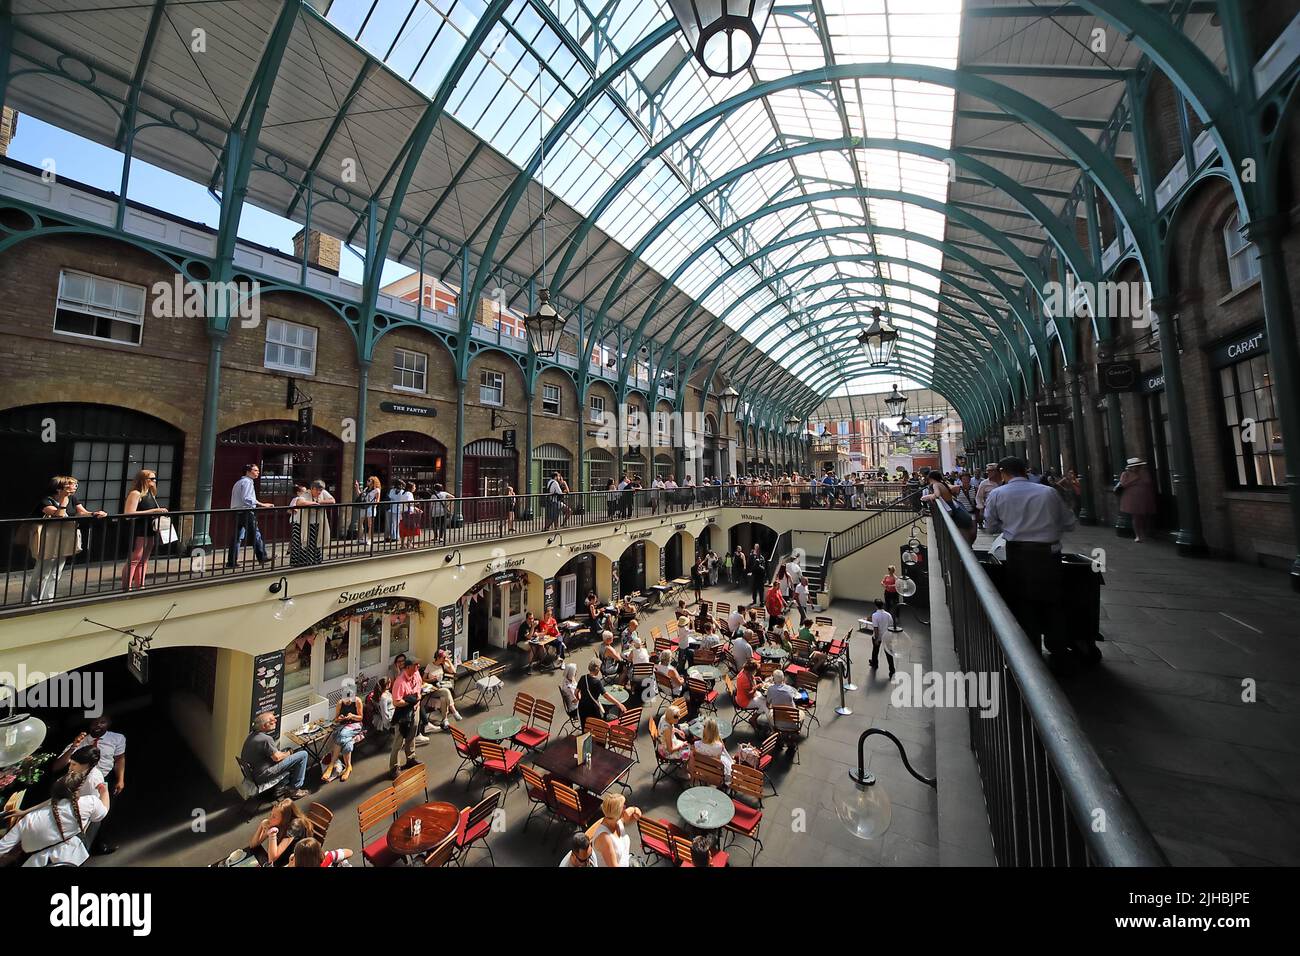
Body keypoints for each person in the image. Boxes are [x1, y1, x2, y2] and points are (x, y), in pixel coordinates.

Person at [982, 457, 1079, 669]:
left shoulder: (998, 494)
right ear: (1025, 471)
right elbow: (1070, 523)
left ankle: (1029, 654)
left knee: (1022, 602)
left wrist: (1011, 524)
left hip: (1019, 555)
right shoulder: (1048, 492)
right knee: (1053, 602)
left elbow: (989, 527)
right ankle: (1059, 651)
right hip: (1049, 555)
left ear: (1002, 472)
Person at [26, 475, 106, 603]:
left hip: (64, 536)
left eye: (75, 484)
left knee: (56, 572)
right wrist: (63, 500)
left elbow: (82, 512)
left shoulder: (72, 498)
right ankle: (33, 602)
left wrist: (94, 513)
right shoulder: (47, 500)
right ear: (59, 488)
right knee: (43, 572)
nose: (74, 487)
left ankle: (48, 600)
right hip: (48, 537)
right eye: (71, 484)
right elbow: (59, 515)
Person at [0, 772, 108, 867]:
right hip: (72, 859)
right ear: (77, 791)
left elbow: (2, 847)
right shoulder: (89, 803)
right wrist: (104, 792)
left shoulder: (30, 819)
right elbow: (102, 813)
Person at [240, 712, 310, 800]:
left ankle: (282, 785)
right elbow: (277, 758)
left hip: (253, 773)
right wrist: (289, 753)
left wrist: (286, 752)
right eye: (272, 721)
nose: (275, 721)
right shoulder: (266, 739)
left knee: (286, 750)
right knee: (303, 754)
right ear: (264, 726)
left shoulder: (251, 735)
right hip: (263, 775)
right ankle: (294, 790)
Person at [121, 469, 167, 590]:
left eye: (154, 478)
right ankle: (127, 586)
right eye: (151, 478)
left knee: (144, 559)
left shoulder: (150, 494)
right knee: (135, 558)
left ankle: (140, 585)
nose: (154, 481)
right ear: (143, 480)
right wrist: (153, 511)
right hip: (138, 528)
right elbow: (128, 513)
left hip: (149, 528)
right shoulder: (136, 493)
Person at [227, 464, 272, 568]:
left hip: (236, 511)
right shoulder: (247, 482)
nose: (258, 472)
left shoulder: (239, 482)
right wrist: (262, 504)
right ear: (248, 471)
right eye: (255, 470)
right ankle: (262, 556)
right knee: (255, 534)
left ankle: (231, 561)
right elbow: (247, 498)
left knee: (237, 537)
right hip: (246, 511)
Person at [320, 678, 365, 783]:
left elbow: (361, 717)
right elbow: (335, 719)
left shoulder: (357, 701)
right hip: (343, 725)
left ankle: (331, 765)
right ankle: (348, 767)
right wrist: (339, 718)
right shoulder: (340, 703)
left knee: (342, 734)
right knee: (346, 742)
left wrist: (352, 716)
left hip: (355, 724)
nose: (348, 701)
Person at [249, 797, 315, 867]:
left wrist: (272, 835)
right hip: (281, 859)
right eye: (270, 814)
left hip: (293, 861)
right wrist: (261, 826)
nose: (270, 818)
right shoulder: (276, 823)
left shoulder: (295, 827)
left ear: (284, 818)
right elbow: (253, 845)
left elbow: (272, 858)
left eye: (274, 816)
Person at [389, 657, 427, 778]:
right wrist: (408, 701)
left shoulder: (416, 675)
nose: (418, 666)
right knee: (399, 741)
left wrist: (417, 699)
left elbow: (419, 688)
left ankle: (410, 758)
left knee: (412, 734)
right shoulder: (399, 682)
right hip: (403, 714)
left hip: (415, 710)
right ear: (408, 667)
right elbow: (396, 702)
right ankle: (394, 767)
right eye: (416, 665)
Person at [592, 793, 642, 868]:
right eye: (623, 806)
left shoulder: (618, 821)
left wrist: (633, 809)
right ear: (617, 811)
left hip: (627, 861)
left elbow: (638, 815)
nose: (626, 807)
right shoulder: (605, 838)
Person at [1117, 457, 1157, 543]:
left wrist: (1136, 480)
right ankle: (1138, 535)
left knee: (1145, 515)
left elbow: (1148, 481)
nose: (1137, 468)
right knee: (1136, 517)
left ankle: (1145, 533)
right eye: (1135, 466)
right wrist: (1135, 479)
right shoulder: (1125, 474)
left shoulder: (1144, 473)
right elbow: (1123, 484)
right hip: (1132, 498)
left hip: (1144, 496)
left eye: (1138, 466)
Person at [578, 658, 626, 725]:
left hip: (582, 707)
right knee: (597, 725)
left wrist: (582, 699)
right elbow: (606, 695)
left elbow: (576, 692)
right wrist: (618, 704)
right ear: (597, 668)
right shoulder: (597, 682)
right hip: (593, 708)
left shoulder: (583, 677)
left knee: (585, 726)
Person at [692, 717, 733, 784]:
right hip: (714, 771)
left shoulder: (696, 745)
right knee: (726, 758)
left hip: (702, 768)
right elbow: (719, 758)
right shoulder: (719, 746)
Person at [868, 598, 897, 678]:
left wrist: (877, 639)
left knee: (875, 650)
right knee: (888, 654)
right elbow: (891, 625)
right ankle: (892, 670)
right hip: (887, 636)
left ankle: (874, 663)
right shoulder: (888, 615)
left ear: (875, 606)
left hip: (879, 636)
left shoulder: (875, 615)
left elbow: (876, 629)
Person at [974, 463, 1000, 528]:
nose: (988, 473)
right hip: (990, 511)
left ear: (997, 471)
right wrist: (981, 509)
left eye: (990, 471)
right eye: (987, 471)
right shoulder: (984, 483)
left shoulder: (1004, 481)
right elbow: (979, 497)